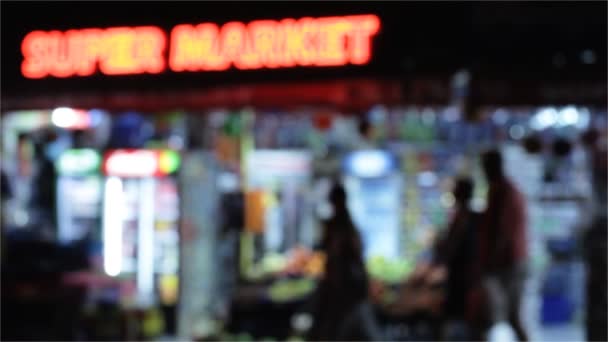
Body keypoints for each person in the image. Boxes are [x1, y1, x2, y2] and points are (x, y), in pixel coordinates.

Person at [307, 182, 382, 341]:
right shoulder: (344, 225)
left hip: (343, 290)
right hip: (345, 290)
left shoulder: (341, 226)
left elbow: (340, 257)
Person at [479, 148, 529, 341]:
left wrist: (490, 261)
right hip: (508, 262)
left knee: (507, 317)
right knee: (503, 318)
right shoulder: (502, 190)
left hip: (509, 263)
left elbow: (503, 231)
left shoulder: (503, 192)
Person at [435, 177, 480, 339]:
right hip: (465, 278)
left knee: (459, 320)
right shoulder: (468, 217)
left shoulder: (464, 218)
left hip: (463, 278)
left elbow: (451, 248)